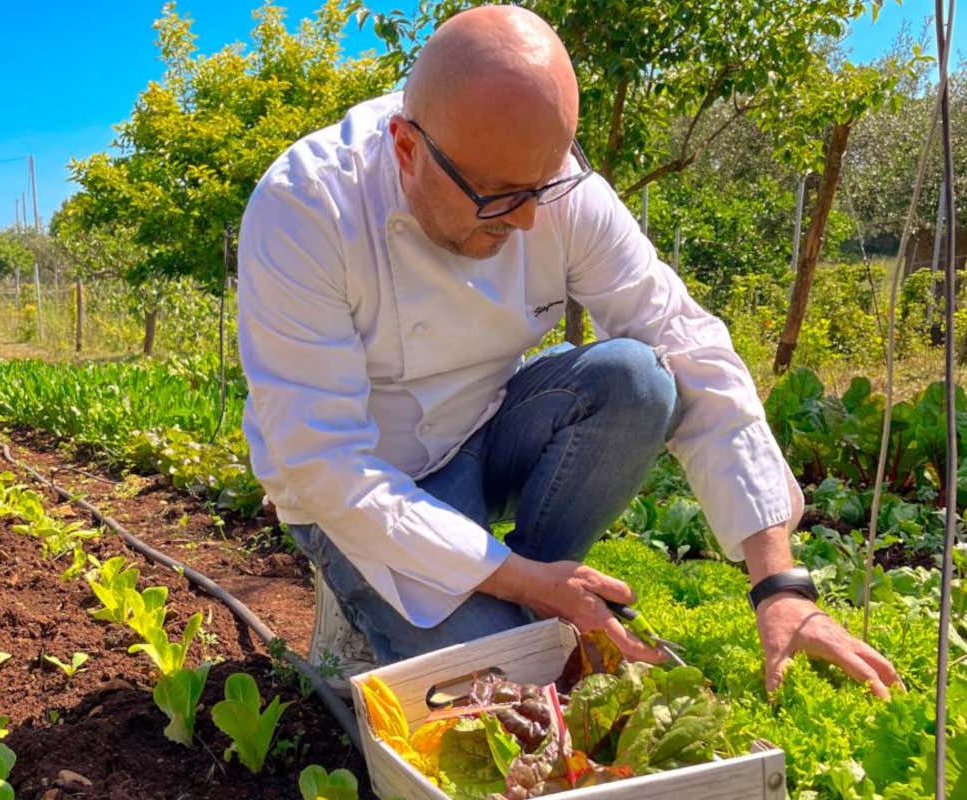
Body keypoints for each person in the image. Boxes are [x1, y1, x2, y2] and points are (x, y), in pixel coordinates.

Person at [237, 4, 899, 698]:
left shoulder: (555, 189)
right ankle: (484, 608)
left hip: (478, 432)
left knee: (637, 380)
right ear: (407, 149)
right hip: (357, 487)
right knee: (506, 686)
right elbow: (330, 468)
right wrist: (524, 581)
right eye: (496, 197)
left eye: (539, 187)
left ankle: (507, 605)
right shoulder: (306, 207)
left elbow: (687, 339)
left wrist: (779, 584)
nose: (526, 220)